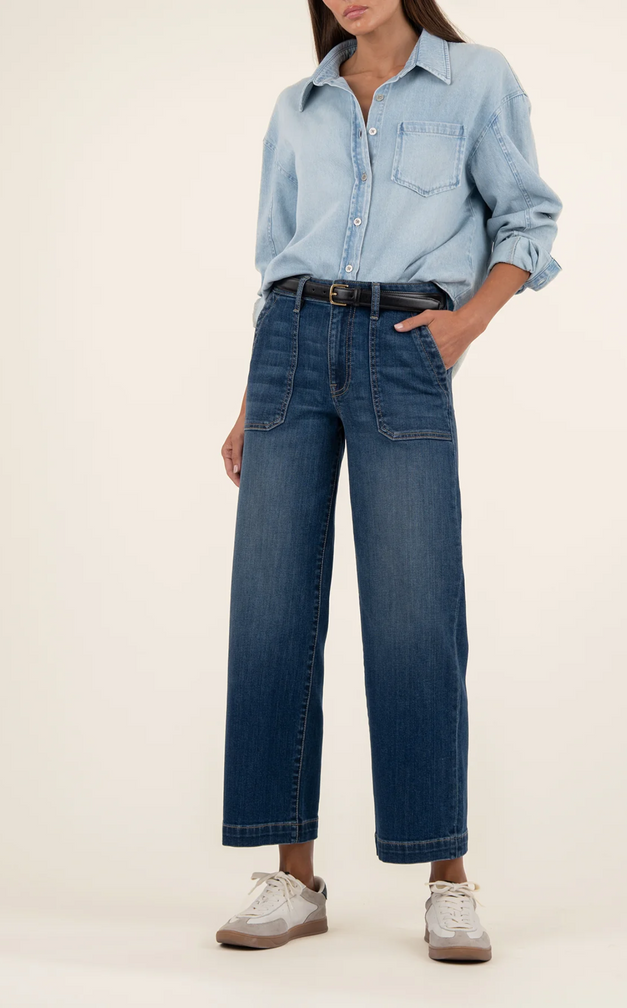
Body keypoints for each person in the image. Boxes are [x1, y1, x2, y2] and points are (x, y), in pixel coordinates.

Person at [217, 0, 562, 962]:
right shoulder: (299, 104)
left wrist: (467, 323)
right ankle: (294, 877)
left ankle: (445, 878)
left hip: (404, 345)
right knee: (272, 611)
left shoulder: (476, 77)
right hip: (287, 345)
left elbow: (528, 217)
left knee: (415, 612)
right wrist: (253, 397)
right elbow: (272, 255)